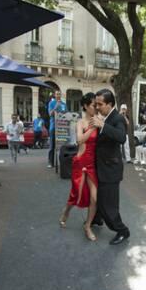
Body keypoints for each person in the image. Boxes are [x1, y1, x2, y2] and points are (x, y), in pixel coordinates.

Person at [89, 89, 130, 245]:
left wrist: (103, 125)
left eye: (100, 104)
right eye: (96, 103)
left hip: (110, 170)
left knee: (109, 205)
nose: (97, 107)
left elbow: (121, 137)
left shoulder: (117, 118)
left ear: (110, 104)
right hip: (102, 167)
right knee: (99, 198)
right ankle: (97, 219)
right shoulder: (106, 116)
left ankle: (122, 231)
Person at [59, 93, 99, 241]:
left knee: (94, 198)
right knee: (76, 193)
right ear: (85, 106)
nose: (96, 107)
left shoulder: (99, 121)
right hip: (81, 161)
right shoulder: (81, 122)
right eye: (93, 105)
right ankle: (66, 211)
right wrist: (92, 127)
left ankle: (87, 225)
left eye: (97, 105)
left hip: (93, 164)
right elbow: (79, 140)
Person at [47, 90, 67, 168]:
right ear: (55, 95)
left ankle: (62, 162)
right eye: (57, 94)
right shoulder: (51, 103)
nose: (58, 95)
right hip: (53, 127)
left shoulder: (64, 104)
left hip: (62, 127)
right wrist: (56, 106)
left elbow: (67, 114)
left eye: (59, 94)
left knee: (62, 146)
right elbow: (50, 114)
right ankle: (50, 162)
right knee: (52, 146)